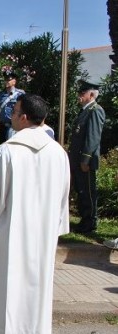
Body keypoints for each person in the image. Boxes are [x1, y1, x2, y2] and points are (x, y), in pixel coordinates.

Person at [0, 93, 70, 334]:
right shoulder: (58, 153)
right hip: (44, 233)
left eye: (14, 113)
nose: (11, 117)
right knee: (38, 283)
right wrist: (58, 226)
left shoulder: (7, 151)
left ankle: (5, 328)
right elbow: (63, 197)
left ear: (24, 118)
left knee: (9, 283)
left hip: (11, 232)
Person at [69, 80, 106, 234]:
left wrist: (85, 159)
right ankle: (85, 220)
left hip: (86, 161)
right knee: (81, 190)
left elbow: (93, 137)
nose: (79, 96)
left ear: (91, 94)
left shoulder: (95, 110)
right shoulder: (85, 110)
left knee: (88, 191)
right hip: (77, 159)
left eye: (82, 93)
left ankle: (90, 222)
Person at [0, 70, 25, 144]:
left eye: (9, 80)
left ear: (14, 81)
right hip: (2, 127)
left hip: (13, 127)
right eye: (5, 80)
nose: (6, 82)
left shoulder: (20, 94)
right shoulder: (1, 95)